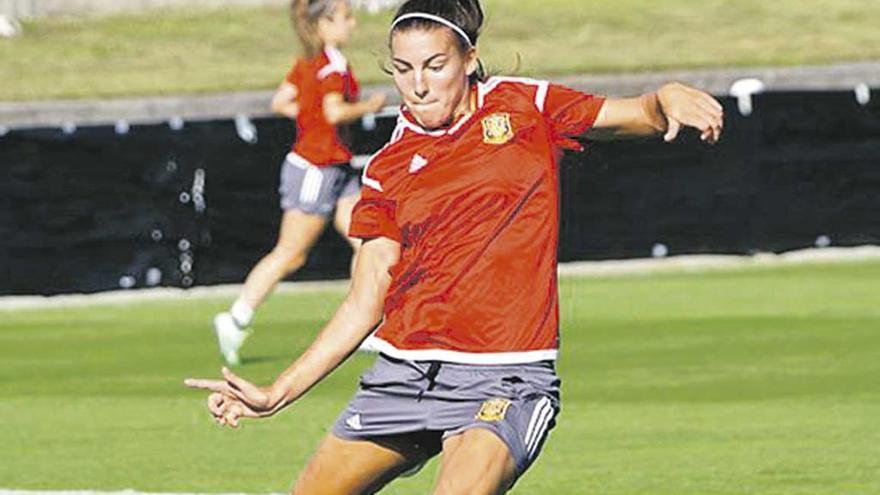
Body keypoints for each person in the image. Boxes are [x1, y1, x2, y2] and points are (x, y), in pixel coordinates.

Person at [187, 0, 724, 492]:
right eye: (403, 69)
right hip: (402, 375)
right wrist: (278, 392)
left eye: (434, 65)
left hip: (504, 378)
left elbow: (634, 115)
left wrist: (664, 99)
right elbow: (365, 301)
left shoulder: (523, 105)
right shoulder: (386, 168)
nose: (418, 85)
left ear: (469, 59)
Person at [214, 0, 386, 365]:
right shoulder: (329, 67)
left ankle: (366, 326)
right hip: (316, 170)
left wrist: (311, 119)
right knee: (291, 253)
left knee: (368, 243)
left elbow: (281, 102)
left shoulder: (311, 63)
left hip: (339, 169)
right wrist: (368, 107)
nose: (352, 25)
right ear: (323, 23)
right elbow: (334, 111)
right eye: (345, 18)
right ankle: (235, 318)